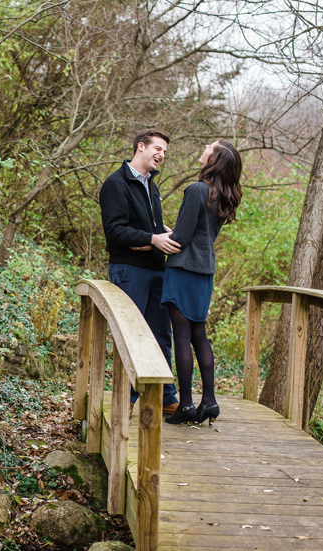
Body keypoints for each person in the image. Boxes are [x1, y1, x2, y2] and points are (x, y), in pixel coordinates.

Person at [99, 129, 181, 414]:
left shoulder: (151, 185)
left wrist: (167, 233)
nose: (161, 155)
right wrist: (151, 239)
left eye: (165, 152)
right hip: (129, 270)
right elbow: (115, 232)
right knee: (131, 335)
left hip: (158, 269)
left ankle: (165, 396)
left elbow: (150, 228)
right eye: (158, 148)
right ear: (141, 147)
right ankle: (127, 400)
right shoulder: (116, 184)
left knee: (161, 334)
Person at [162, 139, 243, 425]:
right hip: (204, 271)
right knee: (199, 336)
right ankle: (209, 401)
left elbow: (180, 239)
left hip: (184, 270)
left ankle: (185, 406)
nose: (205, 146)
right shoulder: (223, 195)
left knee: (182, 337)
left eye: (210, 145)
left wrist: (156, 233)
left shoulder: (197, 190)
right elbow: (199, 233)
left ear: (215, 157)